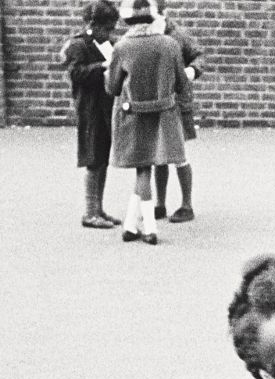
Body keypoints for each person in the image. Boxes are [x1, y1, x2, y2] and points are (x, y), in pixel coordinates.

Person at [105, 0, 189, 244]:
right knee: (146, 167)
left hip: (132, 116)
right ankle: (131, 226)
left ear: (127, 20)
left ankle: (150, 228)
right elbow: (182, 85)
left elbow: (112, 88)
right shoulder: (170, 44)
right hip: (163, 115)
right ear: (154, 18)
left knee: (142, 169)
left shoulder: (121, 47)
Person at [56, 1, 122, 229]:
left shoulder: (107, 43)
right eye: (107, 27)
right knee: (93, 159)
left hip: (106, 106)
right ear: (93, 24)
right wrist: (104, 66)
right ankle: (90, 212)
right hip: (90, 108)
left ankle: (98, 208)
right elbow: (76, 74)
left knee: (102, 158)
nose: (110, 32)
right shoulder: (78, 45)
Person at [149, 1, 202, 223]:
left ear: (163, 13)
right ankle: (160, 204)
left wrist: (193, 70)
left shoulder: (179, 35)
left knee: (179, 154)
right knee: (158, 155)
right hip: (153, 100)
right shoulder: (144, 33)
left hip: (176, 101)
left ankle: (186, 205)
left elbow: (199, 56)